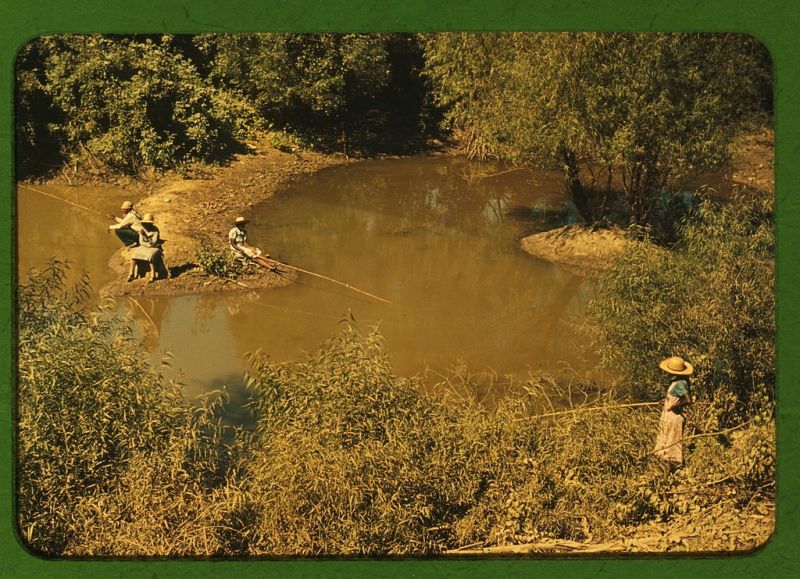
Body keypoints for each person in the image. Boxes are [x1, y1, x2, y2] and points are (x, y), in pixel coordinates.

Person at [653, 355, 694, 466]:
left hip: (673, 418)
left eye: (670, 372)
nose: (667, 374)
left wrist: (674, 406)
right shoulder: (679, 382)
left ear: (675, 374)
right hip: (669, 417)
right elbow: (676, 397)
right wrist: (666, 400)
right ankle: (666, 470)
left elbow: (688, 400)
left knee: (671, 446)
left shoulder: (680, 383)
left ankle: (671, 472)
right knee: (666, 442)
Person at [128, 213, 162, 283]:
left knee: (150, 256)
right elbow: (141, 242)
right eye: (145, 223)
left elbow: (154, 243)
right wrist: (147, 244)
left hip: (155, 248)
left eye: (148, 223)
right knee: (134, 255)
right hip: (145, 246)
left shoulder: (155, 230)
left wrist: (146, 236)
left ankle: (152, 275)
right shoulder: (142, 229)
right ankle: (131, 273)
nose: (146, 225)